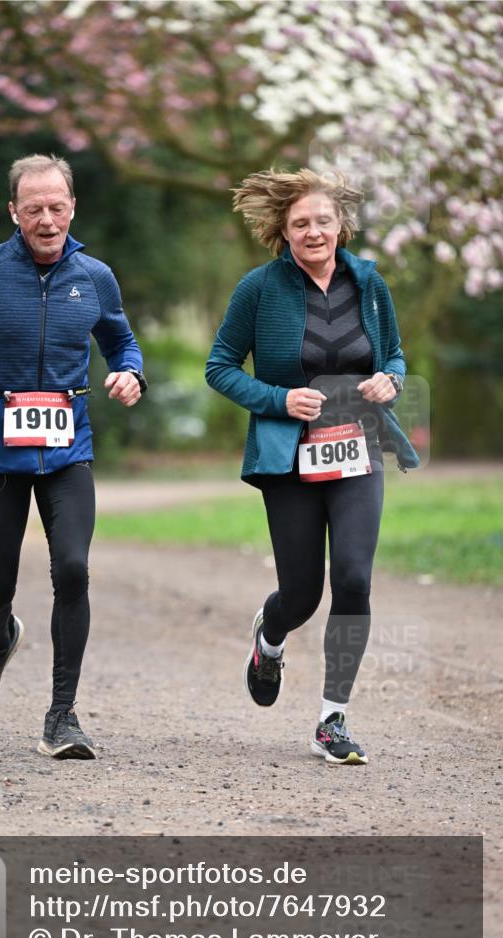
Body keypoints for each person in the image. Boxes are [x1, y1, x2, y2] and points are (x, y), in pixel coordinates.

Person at [0, 154, 147, 761]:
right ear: (13, 211)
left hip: (69, 450)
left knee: (72, 569)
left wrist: (130, 372)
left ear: (73, 207)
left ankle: (62, 716)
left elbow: (120, 339)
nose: (47, 220)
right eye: (34, 208)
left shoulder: (95, 275)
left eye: (58, 207)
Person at [206, 168, 418, 765]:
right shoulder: (258, 289)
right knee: (301, 595)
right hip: (288, 457)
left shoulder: (370, 283)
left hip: (357, 447)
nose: (314, 231)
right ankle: (270, 639)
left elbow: (395, 354)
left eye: (323, 220)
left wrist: (389, 379)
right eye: (301, 223)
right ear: (284, 231)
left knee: (353, 578)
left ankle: (333, 717)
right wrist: (279, 400)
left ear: (340, 224)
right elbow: (219, 366)